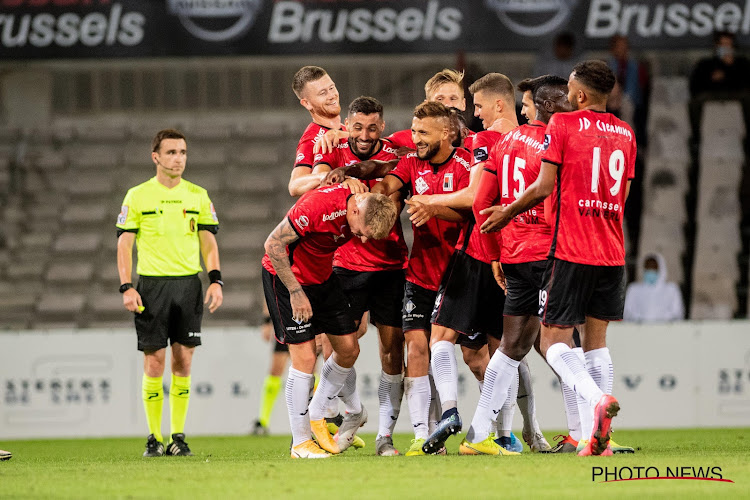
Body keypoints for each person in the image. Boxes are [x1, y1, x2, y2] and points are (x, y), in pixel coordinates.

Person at [480, 60, 636, 456]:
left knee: (552, 341)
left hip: (570, 248)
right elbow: (622, 199)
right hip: (613, 250)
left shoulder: (563, 126)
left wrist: (508, 212)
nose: (566, 95)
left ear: (580, 95)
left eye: (569, 88)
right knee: (596, 343)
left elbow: (544, 185)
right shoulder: (626, 133)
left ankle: (595, 401)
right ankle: (593, 438)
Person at [412, 73, 546, 455]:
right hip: (519, 255)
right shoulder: (538, 143)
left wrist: (432, 201)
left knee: (440, 338)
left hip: (479, 252)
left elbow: (476, 197)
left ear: (497, 105)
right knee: (505, 351)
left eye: (477, 105)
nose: (474, 112)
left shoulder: (484, 142)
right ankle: (508, 434)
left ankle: (452, 413)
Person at [461, 75, 571, 456]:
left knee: (511, 346)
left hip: (512, 255)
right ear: (555, 104)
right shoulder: (557, 141)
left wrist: (494, 252)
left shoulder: (504, 141)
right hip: (549, 253)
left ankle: (477, 436)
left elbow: (480, 203)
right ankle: (583, 431)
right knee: (562, 340)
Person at [262, 184, 398, 459]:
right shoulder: (317, 208)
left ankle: (320, 412)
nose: (359, 239)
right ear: (355, 209)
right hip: (290, 279)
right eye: (360, 232)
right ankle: (301, 443)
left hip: (323, 278)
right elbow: (273, 244)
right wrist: (296, 291)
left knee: (349, 349)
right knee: (304, 358)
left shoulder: (361, 204)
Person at [367, 101, 472, 456]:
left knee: (476, 356)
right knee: (416, 347)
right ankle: (422, 434)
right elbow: (386, 185)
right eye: (413, 131)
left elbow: (468, 213)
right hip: (420, 273)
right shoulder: (412, 163)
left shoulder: (464, 165)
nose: (416, 139)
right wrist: (375, 195)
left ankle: (498, 430)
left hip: (458, 274)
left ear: (446, 132)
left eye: (423, 132)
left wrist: (433, 205)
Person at [116, 129, 224, 457]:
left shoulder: (198, 196)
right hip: (151, 286)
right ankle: (153, 437)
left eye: (183, 152)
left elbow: (208, 241)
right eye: (172, 152)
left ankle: (177, 436)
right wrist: (126, 286)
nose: (179, 158)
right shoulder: (137, 196)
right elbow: (125, 243)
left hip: (188, 285)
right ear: (156, 157)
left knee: (184, 359)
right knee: (154, 361)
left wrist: (216, 279)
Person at [312, 96, 408, 456]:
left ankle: (385, 436)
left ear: (381, 127)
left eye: (372, 127)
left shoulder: (397, 150)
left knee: (391, 350)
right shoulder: (332, 150)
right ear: (347, 125)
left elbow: (386, 165)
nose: (364, 134)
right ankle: (352, 411)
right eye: (357, 127)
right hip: (345, 264)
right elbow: (316, 178)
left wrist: (352, 173)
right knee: (334, 344)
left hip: (390, 266)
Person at [288, 66, 346, 196]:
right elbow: (294, 185)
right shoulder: (313, 139)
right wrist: (330, 176)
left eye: (332, 88)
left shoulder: (347, 129)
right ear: (307, 103)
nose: (332, 96)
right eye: (323, 93)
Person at [689, 31, 750, 140]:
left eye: (729, 45)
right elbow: (695, 86)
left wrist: (729, 69)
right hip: (711, 95)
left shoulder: (742, 63)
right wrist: (712, 79)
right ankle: (697, 138)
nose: (726, 48)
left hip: (736, 95)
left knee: (748, 98)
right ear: (716, 46)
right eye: (723, 45)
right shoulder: (705, 63)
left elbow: (746, 82)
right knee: (695, 103)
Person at [251, 302, 290, 436]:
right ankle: (263, 421)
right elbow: (269, 292)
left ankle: (324, 418)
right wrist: (267, 322)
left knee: (311, 371)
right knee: (275, 371)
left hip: (308, 318)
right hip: (286, 320)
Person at [624, 253, 684, 322]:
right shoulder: (634, 289)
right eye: (648, 268)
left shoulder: (672, 289)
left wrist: (662, 319)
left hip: (666, 330)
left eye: (654, 268)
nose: (650, 271)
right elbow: (627, 313)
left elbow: (677, 313)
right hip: (639, 330)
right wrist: (641, 319)